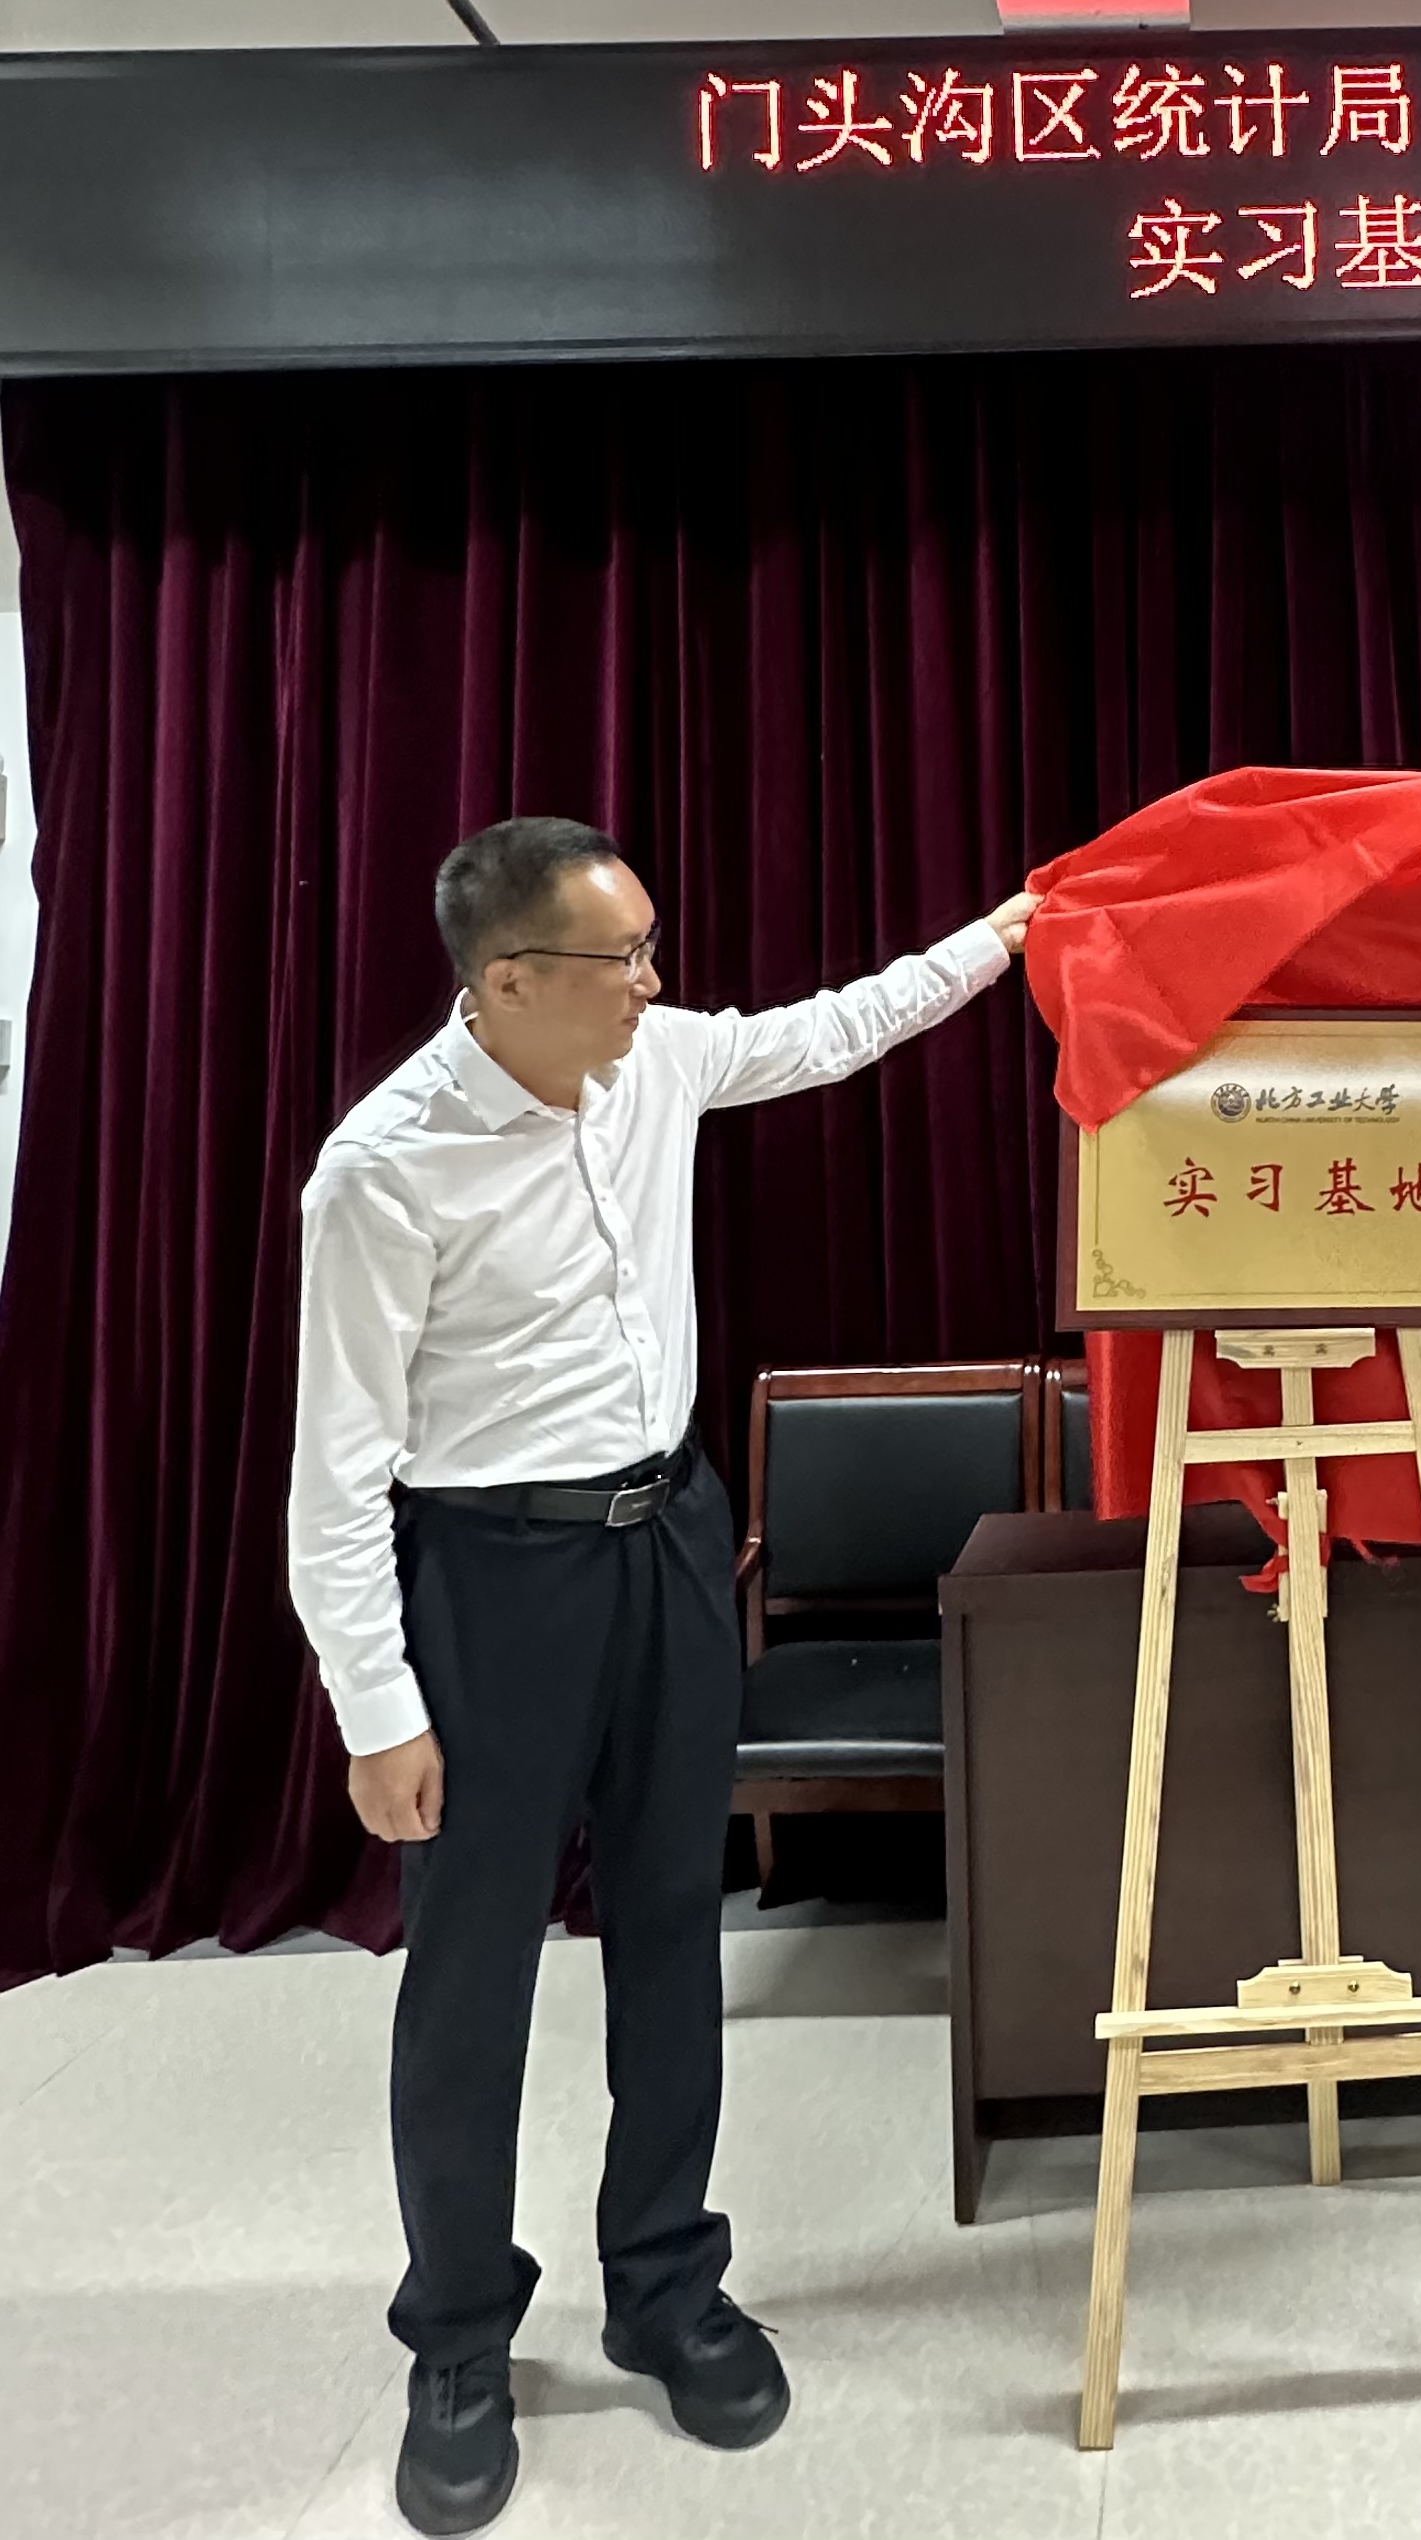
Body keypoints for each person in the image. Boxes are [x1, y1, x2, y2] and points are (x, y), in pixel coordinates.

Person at [287, 816, 1036, 2535]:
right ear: (506, 982)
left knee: (671, 1926)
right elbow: (336, 1474)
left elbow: (839, 1026)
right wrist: (376, 1709)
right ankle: (459, 2335)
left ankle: (666, 2283)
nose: (653, 983)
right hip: (494, 1578)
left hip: (672, 1545)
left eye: (650, 948)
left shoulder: (661, 1063)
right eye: (618, 958)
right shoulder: (382, 1169)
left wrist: (1005, 931)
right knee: (471, 1969)